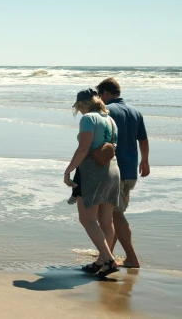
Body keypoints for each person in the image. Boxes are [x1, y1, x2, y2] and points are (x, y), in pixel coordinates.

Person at [64, 89, 121, 279]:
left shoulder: (88, 118)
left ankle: (108, 260)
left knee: (87, 219)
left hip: (93, 172)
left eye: (78, 107)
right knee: (106, 220)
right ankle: (100, 262)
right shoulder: (110, 120)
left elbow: (83, 148)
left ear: (82, 104)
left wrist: (69, 170)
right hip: (112, 170)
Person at [97, 77, 149, 268]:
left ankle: (132, 258)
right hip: (131, 171)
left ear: (105, 94)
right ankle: (107, 255)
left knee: (115, 215)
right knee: (114, 214)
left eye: (99, 96)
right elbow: (143, 140)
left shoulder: (107, 112)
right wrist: (145, 161)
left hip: (114, 170)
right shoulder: (135, 112)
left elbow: (102, 142)